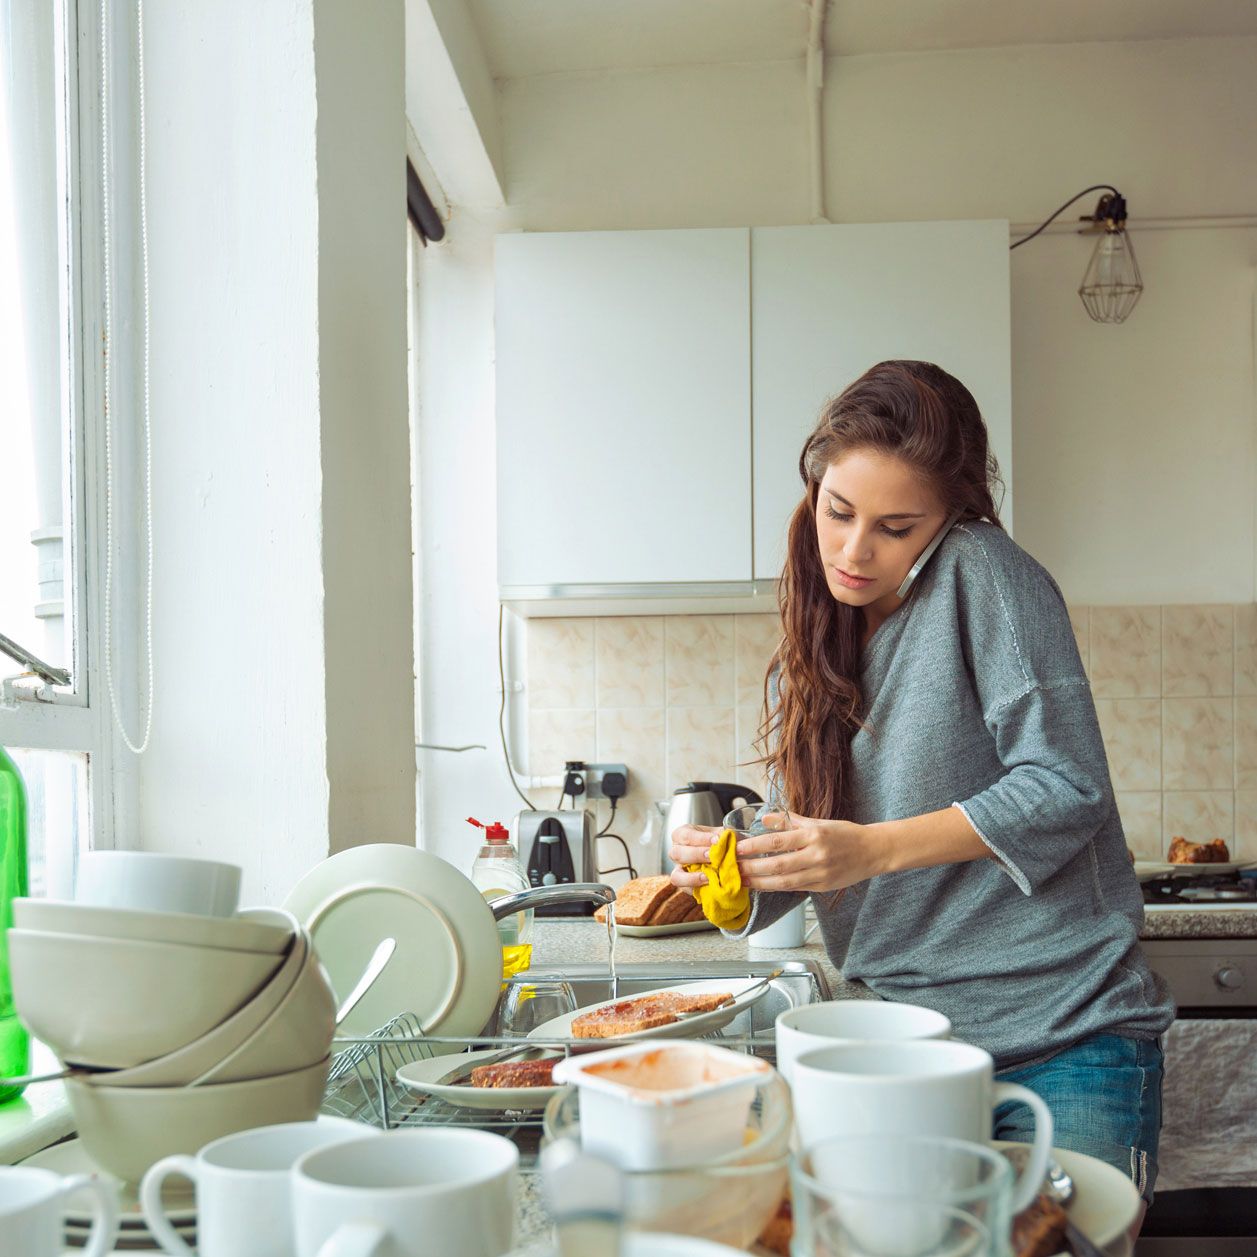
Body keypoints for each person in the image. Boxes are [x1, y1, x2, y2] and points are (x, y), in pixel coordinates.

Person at [670, 360, 1174, 1213]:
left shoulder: (984, 574)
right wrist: (731, 876)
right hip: (897, 1049)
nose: (854, 550)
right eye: (838, 512)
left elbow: (1065, 784)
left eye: (896, 527)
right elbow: (828, 868)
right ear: (815, 487)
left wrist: (871, 849)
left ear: (949, 520)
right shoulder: (808, 657)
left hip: (1063, 1042)